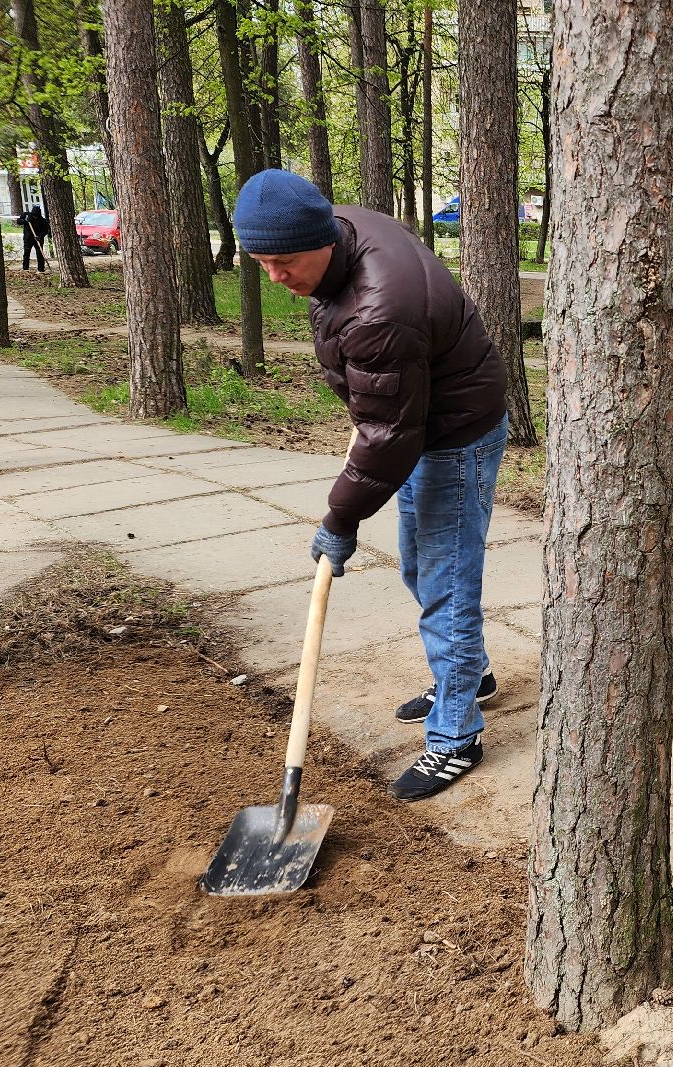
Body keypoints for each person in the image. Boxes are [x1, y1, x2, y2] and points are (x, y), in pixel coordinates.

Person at [232, 169, 512, 802]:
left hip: (452, 432)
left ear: (322, 239)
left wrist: (340, 518)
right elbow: (386, 419)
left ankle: (456, 736)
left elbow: (391, 434)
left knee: (445, 580)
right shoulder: (339, 232)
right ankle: (469, 674)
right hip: (419, 417)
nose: (276, 278)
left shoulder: (379, 306)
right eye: (262, 263)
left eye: (285, 263)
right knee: (423, 567)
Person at [17, 204, 48, 272]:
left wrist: (39, 236)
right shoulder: (26, 215)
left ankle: (41, 269)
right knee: (26, 253)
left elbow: (46, 230)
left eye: (36, 216)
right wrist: (24, 221)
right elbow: (18, 221)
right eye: (34, 216)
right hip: (28, 238)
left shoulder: (42, 220)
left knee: (39, 253)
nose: (35, 217)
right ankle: (25, 268)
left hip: (38, 239)